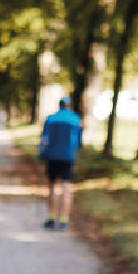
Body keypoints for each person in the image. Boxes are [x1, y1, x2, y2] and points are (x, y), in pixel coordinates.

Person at [39, 94, 83, 230]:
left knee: (52, 187)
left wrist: (41, 154)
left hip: (52, 156)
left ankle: (52, 218)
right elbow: (79, 142)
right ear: (68, 105)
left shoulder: (51, 119)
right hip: (67, 157)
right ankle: (64, 220)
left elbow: (44, 139)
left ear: (59, 105)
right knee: (66, 188)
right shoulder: (76, 119)